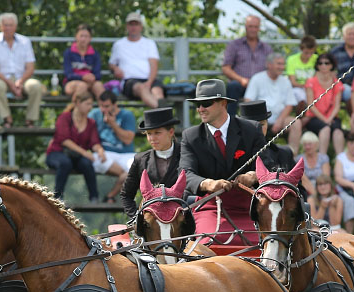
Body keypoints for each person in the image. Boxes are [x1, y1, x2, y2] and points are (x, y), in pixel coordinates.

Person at [180, 78, 266, 245]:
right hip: (210, 206)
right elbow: (185, 174)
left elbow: (268, 166)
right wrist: (208, 184)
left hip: (248, 206)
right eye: (197, 105)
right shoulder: (190, 137)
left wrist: (253, 175)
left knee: (263, 245)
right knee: (208, 243)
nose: (200, 109)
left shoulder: (251, 130)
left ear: (223, 103)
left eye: (206, 103)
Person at [0, 13, 46, 127]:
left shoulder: (25, 41)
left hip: (22, 78)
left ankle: (30, 120)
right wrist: (11, 84)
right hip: (2, 79)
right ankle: (7, 119)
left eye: (10, 25)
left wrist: (20, 82)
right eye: (5, 25)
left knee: (36, 86)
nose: (8, 28)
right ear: (0, 26)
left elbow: (30, 68)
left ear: (15, 26)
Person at [121, 107, 181, 218]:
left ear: (171, 132)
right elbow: (126, 195)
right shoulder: (140, 160)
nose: (152, 138)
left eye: (157, 133)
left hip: (182, 221)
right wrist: (137, 219)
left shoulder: (187, 155)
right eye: (149, 134)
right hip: (152, 226)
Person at [45, 91, 105, 202]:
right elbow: (64, 140)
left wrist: (100, 150)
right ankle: (58, 198)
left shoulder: (91, 122)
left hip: (76, 157)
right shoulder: (65, 117)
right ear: (77, 103)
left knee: (87, 164)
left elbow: (94, 142)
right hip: (57, 153)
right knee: (65, 163)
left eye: (91, 104)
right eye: (87, 104)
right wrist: (85, 153)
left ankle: (94, 198)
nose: (90, 107)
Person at [243, 53, 302, 150]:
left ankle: (292, 156)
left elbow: (289, 104)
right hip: (259, 119)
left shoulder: (285, 81)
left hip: (280, 119)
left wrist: (280, 120)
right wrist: (261, 119)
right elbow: (248, 101)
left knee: (296, 123)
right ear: (269, 65)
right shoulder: (257, 78)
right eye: (278, 64)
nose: (282, 67)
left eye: (283, 64)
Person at [89, 90, 137, 203]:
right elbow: (90, 140)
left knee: (139, 167)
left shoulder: (127, 115)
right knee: (95, 160)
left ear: (115, 104)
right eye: (101, 106)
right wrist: (99, 150)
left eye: (106, 106)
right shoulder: (94, 115)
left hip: (126, 154)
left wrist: (113, 124)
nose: (103, 110)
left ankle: (110, 195)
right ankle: (124, 176)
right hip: (104, 153)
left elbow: (128, 140)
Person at [110, 11, 164, 109]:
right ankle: (164, 113)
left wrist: (149, 82)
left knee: (158, 91)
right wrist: (115, 69)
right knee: (141, 88)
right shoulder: (119, 44)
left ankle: (163, 114)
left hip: (149, 80)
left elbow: (154, 65)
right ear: (127, 26)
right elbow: (112, 63)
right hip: (129, 81)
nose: (133, 27)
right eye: (131, 24)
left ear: (141, 26)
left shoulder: (149, 43)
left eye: (136, 24)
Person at [221, 15, 273, 113]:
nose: (253, 29)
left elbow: (272, 69)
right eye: (250, 26)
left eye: (256, 27)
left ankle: (269, 123)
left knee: (274, 87)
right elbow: (225, 68)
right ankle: (230, 123)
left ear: (259, 28)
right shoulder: (234, 45)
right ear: (245, 27)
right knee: (233, 86)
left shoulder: (267, 48)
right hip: (241, 85)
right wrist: (241, 80)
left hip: (261, 86)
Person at [304, 52, 345, 157]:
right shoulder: (311, 82)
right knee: (325, 129)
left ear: (331, 65)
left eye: (326, 63)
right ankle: (322, 160)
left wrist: (329, 118)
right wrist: (325, 119)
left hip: (331, 117)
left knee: (338, 132)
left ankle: (341, 162)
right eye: (320, 63)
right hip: (314, 117)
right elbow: (310, 105)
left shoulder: (337, 83)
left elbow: (337, 106)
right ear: (317, 65)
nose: (323, 65)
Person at [238, 100, 294, 172]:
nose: (258, 129)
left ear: (267, 124)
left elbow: (296, 182)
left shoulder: (284, 154)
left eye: (261, 124)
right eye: (252, 125)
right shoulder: (231, 154)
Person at [329, 23, 354, 104]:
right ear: (344, 36)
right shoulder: (335, 52)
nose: (352, 37)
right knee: (349, 93)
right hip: (340, 87)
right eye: (349, 34)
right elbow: (328, 71)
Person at [63, 24, 104, 98]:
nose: (83, 39)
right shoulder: (69, 52)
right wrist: (82, 77)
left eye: (86, 36)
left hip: (91, 82)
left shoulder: (95, 54)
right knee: (82, 86)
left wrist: (92, 77)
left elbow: (98, 74)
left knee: (99, 86)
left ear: (90, 38)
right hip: (72, 83)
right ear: (76, 36)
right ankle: (75, 109)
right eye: (81, 36)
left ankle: (104, 108)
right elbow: (68, 74)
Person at [295, 131, 330, 197]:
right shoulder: (298, 159)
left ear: (316, 144)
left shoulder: (323, 158)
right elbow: (303, 179)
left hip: (322, 186)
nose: (307, 147)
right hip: (305, 189)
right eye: (305, 145)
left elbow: (325, 177)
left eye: (310, 144)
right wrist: (315, 195)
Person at [286, 35, 318, 108]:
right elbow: (293, 82)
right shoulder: (292, 59)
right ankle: (300, 117)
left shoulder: (317, 59)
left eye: (311, 53)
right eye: (306, 52)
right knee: (301, 97)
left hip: (313, 88)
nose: (309, 55)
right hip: (298, 87)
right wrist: (306, 86)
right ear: (301, 49)